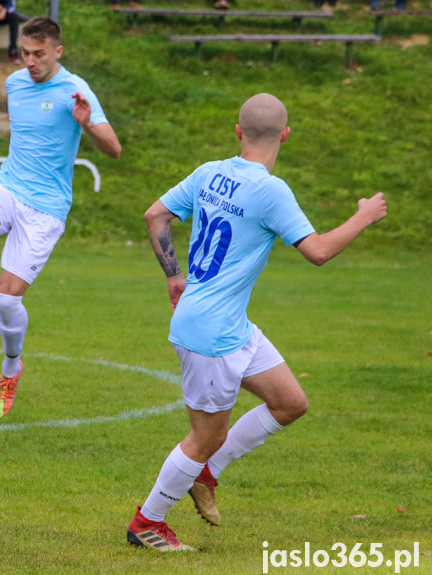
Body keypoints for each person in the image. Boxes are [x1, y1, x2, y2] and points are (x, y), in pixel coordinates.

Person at [127, 93, 387, 551]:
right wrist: (363, 216)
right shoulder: (270, 191)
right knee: (204, 437)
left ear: (237, 131)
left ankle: (206, 473)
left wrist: (174, 278)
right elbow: (319, 251)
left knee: (290, 402)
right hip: (210, 334)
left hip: (229, 326)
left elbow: (155, 215)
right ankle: (147, 522)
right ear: (285, 135)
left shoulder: (210, 172)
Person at [0, 17, 121, 419]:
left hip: (47, 208)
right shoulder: (15, 84)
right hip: (10, 189)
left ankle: (11, 368)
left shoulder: (76, 90)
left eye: (38, 54)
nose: (30, 61)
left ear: (57, 51)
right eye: (25, 53)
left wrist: (86, 125)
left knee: (6, 298)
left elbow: (114, 149)